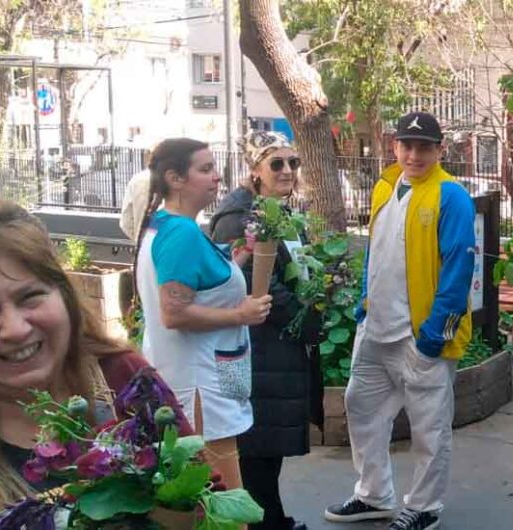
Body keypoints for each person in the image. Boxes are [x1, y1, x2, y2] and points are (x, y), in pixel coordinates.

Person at [324, 112, 475, 530]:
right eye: (406, 145)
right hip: (375, 328)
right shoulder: (384, 186)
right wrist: (362, 307)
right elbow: (376, 249)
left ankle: (424, 507)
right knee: (361, 407)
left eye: (424, 147)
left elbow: (459, 270)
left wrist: (434, 335)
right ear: (394, 147)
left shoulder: (451, 195)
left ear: (439, 150)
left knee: (430, 427)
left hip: (420, 336)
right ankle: (374, 495)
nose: (414, 154)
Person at [0, 200, 192, 505]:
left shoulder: (125, 380)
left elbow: (213, 506)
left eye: (30, 296)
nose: (14, 329)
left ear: (64, 294)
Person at [134, 138, 272, 491]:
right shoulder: (181, 233)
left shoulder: (166, 224)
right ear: (175, 178)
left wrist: (240, 255)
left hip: (195, 380)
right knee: (224, 508)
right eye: (205, 169)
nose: (216, 177)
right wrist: (241, 314)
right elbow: (175, 313)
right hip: (201, 389)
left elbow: (202, 281)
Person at [210, 131, 323, 530]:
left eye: (293, 162)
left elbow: (295, 270)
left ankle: (273, 520)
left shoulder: (281, 211)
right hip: (256, 350)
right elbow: (250, 282)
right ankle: (269, 523)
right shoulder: (237, 219)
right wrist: (303, 318)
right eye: (277, 163)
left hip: (278, 350)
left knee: (266, 451)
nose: (288, 170)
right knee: (255, 449)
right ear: (254, 170)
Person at [119, 148, 152, 241]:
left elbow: (125, 221)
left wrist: (138, 237)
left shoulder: (136, 180)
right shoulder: (177, 181)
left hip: (142, 244)